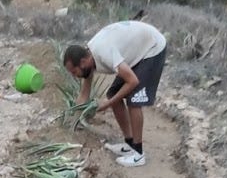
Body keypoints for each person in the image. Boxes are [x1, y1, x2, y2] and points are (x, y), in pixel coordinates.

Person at [63, 20, 167, 167]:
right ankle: (130, 143)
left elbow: (132, 81)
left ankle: (138, 154)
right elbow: (84, 93)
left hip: (152, 47)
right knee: (113, 94)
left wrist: (106, 105)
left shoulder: (103, 52)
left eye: (74, 71)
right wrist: (75, 116)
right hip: (138, 49)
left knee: (134, 99)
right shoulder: (89, 58)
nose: (74, 75)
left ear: (83, 62)